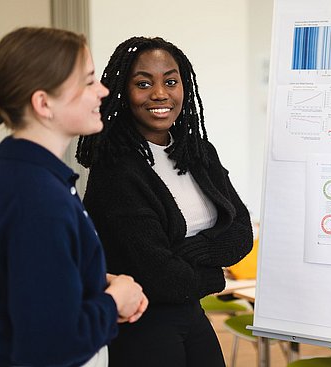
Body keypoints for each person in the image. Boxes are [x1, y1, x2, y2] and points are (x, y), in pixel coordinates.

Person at [76, 36, 253, 366]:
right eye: (143, 84)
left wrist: (192, 253)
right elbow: (159, 276)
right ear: (122, 92)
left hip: (191, 312)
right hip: (142, 325)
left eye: (171, 81)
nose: (160, 94)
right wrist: (216, 276)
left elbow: (241, 231)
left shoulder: (198, 153)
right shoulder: (116, 168)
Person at [0, 27, 149, 367]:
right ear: (44, 103)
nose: (102, 91)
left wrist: (91, 280)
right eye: (88, 81)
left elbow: (25, 275)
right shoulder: (38, 199)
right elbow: (50, 346)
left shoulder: (16, 168)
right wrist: (114, 302)